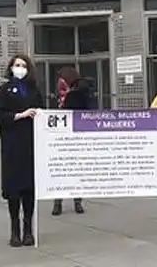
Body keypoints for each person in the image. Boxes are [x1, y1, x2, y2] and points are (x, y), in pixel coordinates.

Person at [0, 54, 44, 247]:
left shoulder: (33, 90)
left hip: (31, 143)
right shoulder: (4, 90)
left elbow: (42, 110)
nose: (20, 68)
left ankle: (28, 228)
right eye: (16, 65)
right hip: (12, 142)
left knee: (29, 189)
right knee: (14, 189)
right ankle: (15, 229)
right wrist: (19, 115)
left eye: (23, 65)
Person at [52, 67, 93, 216]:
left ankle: (60, 202)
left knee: (65, 169)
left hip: (70, 134)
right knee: (75, 168)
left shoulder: (75, 93)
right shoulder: (79, 89)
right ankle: (76, 202)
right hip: (76, 134)